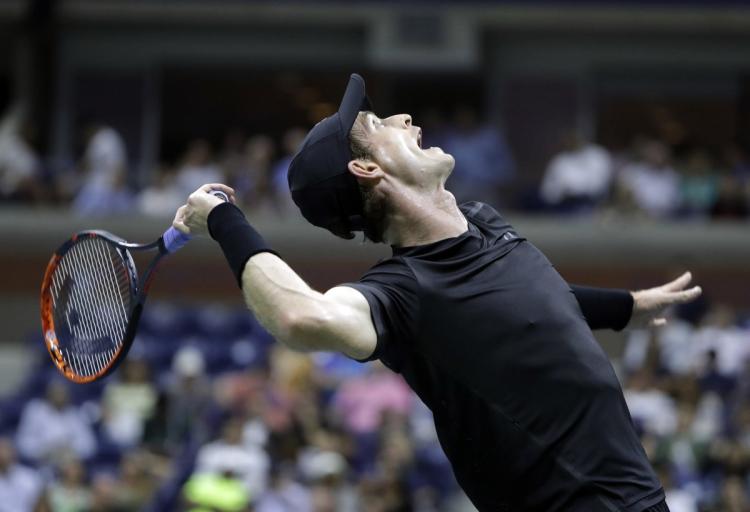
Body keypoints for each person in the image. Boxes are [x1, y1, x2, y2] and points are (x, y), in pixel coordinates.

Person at [172, 74, 703, 511]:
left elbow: (534, 299)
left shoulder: (482, 222)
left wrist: (627, 307)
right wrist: (223, 219)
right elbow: (297, 316)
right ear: (367, 168)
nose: (405, 119)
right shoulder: (404, 293)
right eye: (379, 125)